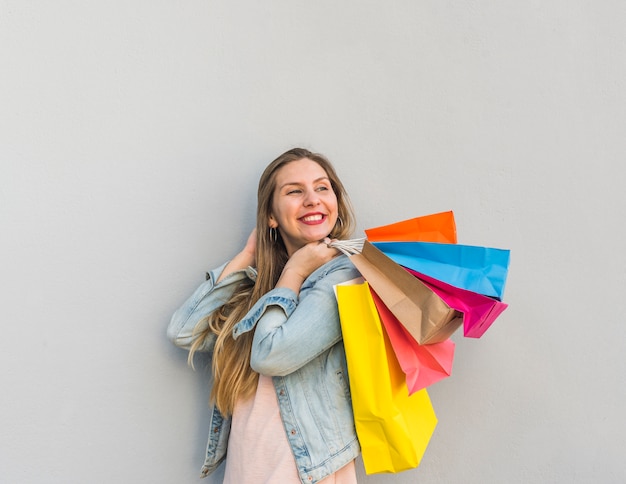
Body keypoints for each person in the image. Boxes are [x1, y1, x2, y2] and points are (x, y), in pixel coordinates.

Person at [167, 148, 362, 483]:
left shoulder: (344, 276)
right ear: (271, 216)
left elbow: (272, 355)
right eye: (295, 191)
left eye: (322, 188)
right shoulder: (264, 287)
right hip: (249, 466)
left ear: (336, 206)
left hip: (305, 470)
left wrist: (295, 273)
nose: (312, 199)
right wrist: (248, 255)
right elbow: (184, 330)